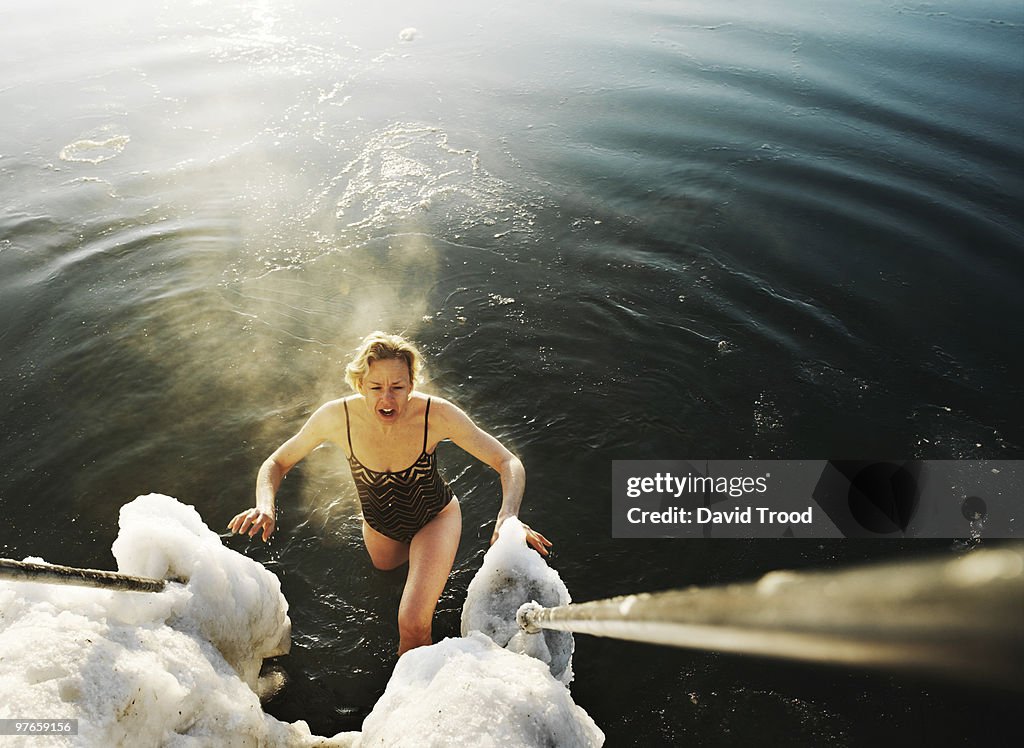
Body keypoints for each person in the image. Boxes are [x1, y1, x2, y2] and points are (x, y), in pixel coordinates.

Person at [227, 331, 551, 656]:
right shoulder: (337, 418)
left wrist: (508, 514)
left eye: (397, 388)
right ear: (359, 386)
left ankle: (411, 697)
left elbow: (507, 461)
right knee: (385, 581)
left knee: (411, 622)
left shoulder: (433, 415)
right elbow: (277, 462)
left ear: (411, 384)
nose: (388, 399)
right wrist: (265, 505)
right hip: (379, 529)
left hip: (434, 519)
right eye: (376, 388)